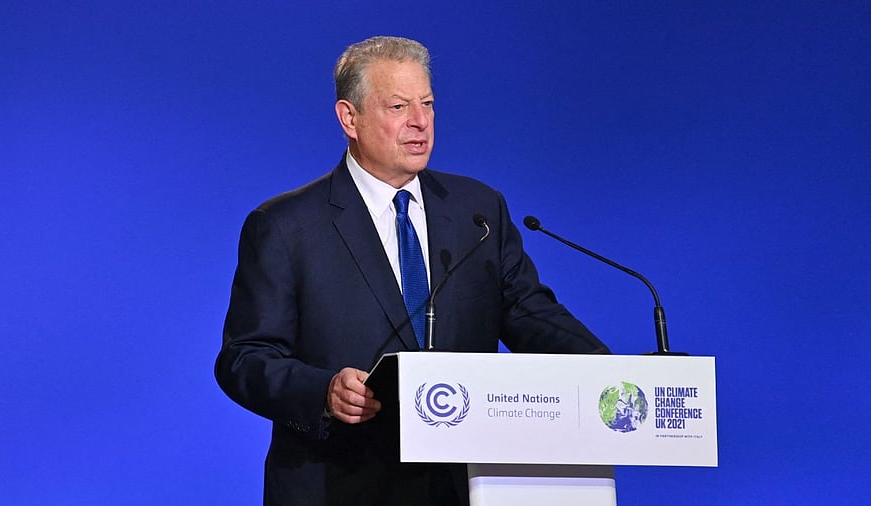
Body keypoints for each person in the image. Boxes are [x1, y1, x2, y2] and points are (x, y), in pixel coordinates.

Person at [215, 35, 609, 506]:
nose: (420, 122)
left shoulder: (477, 211)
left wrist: (604, 372)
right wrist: (323, 391)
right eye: (398, 106)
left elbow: (528, 313)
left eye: (427, 104)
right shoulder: (285, 226)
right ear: (349, 118)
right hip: (338, 483)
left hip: (460, 485)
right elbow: (244, 357)